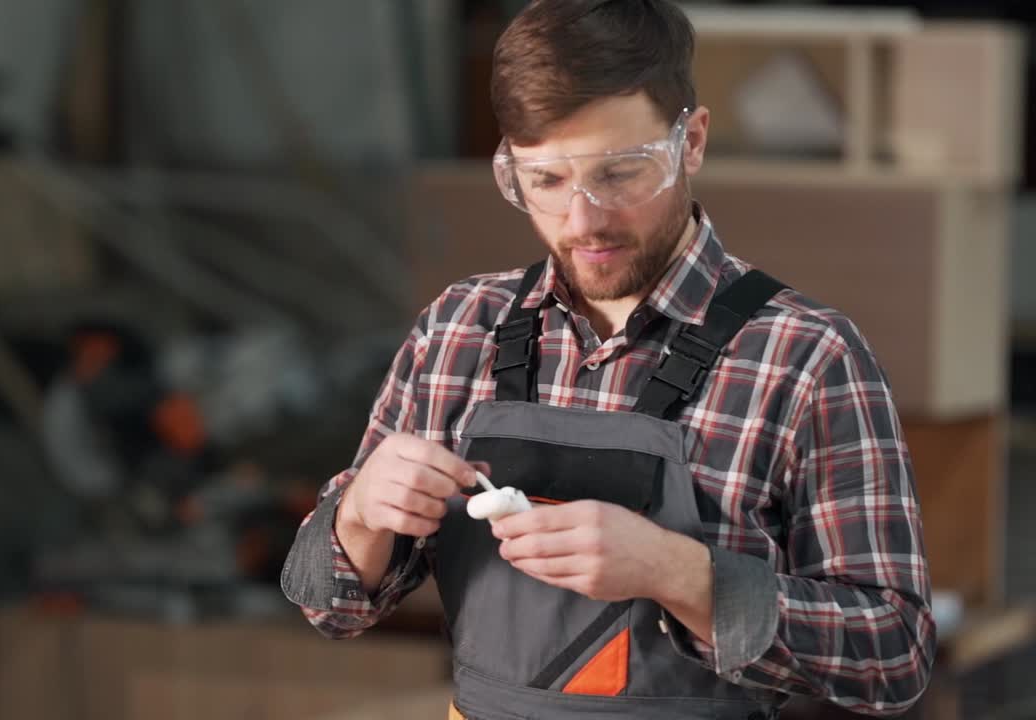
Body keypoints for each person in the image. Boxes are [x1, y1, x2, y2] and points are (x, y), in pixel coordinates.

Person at [280, 1, 936, 717]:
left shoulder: (806, 357)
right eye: (546, 182)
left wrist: (678, 573)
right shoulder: (459, 328)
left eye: (620, 173)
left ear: (691, 142)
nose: (583, 220)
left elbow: (894, 656)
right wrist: (363, 513)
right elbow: (329, 607)